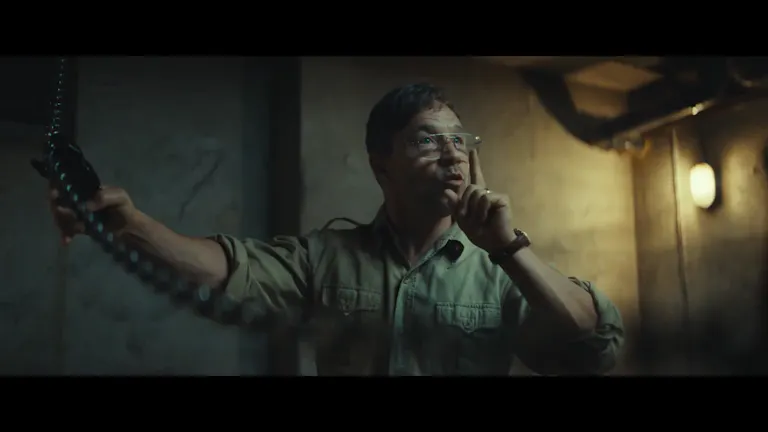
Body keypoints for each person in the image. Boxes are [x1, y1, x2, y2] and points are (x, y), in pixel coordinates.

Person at [49, 83, 624, 375]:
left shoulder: (498, 272)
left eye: (459, 140)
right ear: (381, 165)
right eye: (427, 140)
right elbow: (225, 270)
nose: (452, 154)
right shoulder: (325, 257)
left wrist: (508, 248)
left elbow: (594, 344)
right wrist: (131, 226)